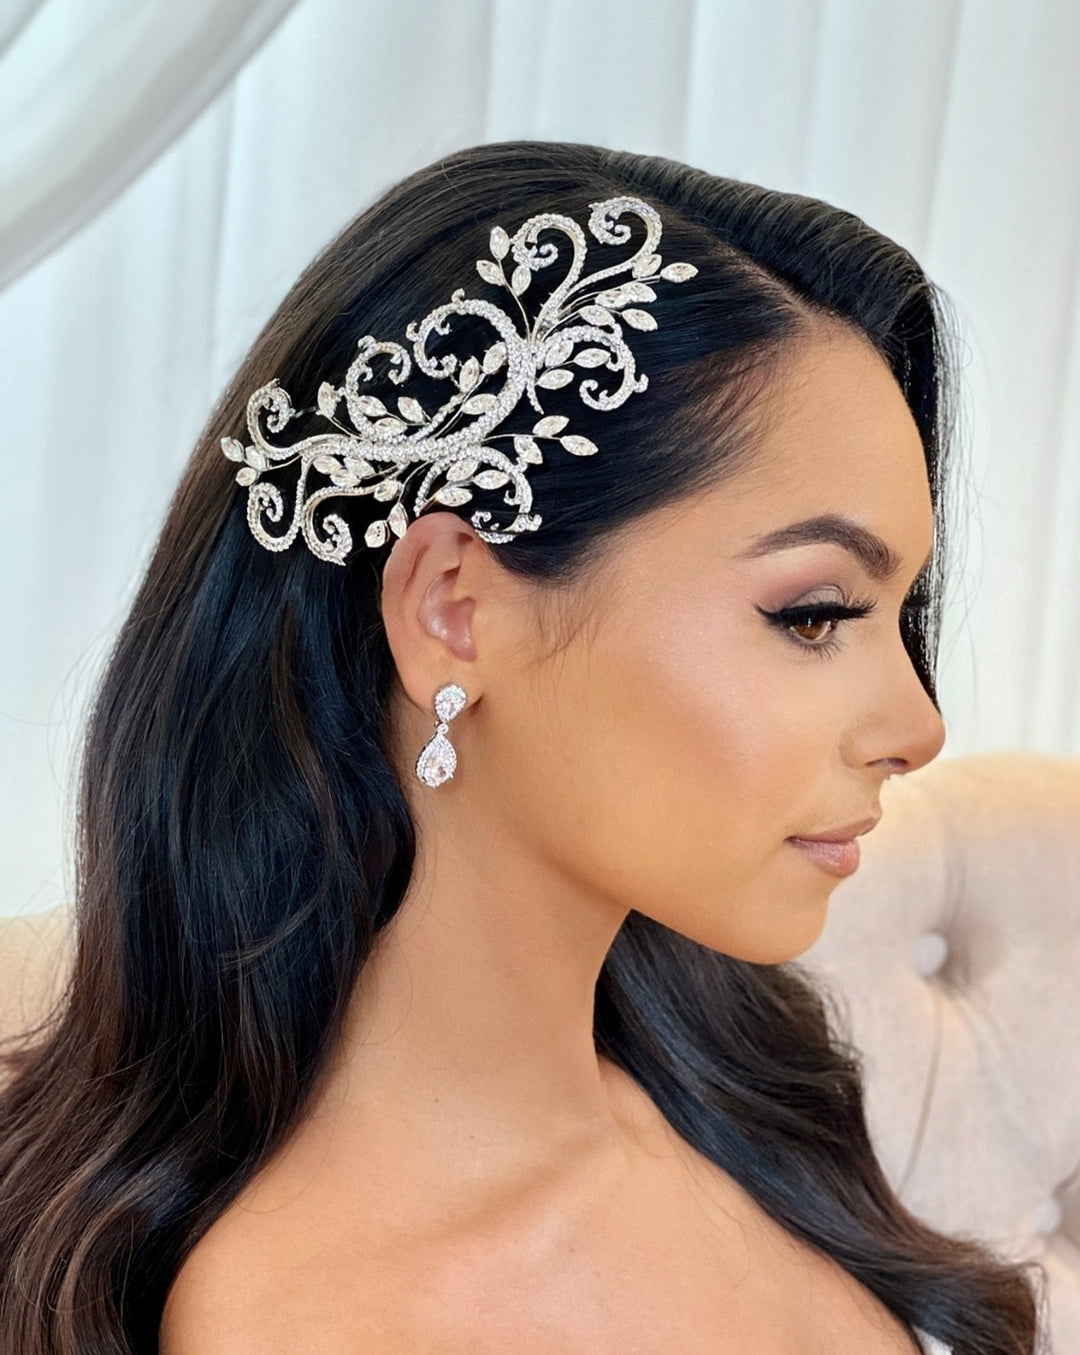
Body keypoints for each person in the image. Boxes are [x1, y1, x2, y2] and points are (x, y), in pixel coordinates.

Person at [0, 140, 1044, 1354]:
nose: (918, 728)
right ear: (456, 606)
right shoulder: (321, 1319)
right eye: (814, 614)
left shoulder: (739, 1075)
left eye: (898, 615)